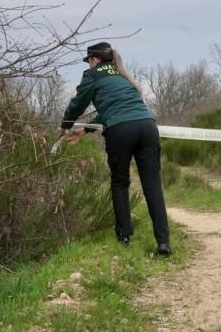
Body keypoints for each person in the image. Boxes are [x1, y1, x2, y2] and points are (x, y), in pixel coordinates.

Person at [60, 42, 172, 255]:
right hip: (148, 126)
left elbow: (78, 103)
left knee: (120, 183)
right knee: (152, 185)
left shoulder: (92, 75)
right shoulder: (122, 75)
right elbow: (112, 109)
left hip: (121, 131)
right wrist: (86, 130)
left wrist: (64, 125)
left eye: (89, 61)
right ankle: (163, 242)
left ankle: (124, 236)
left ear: (93, 60)